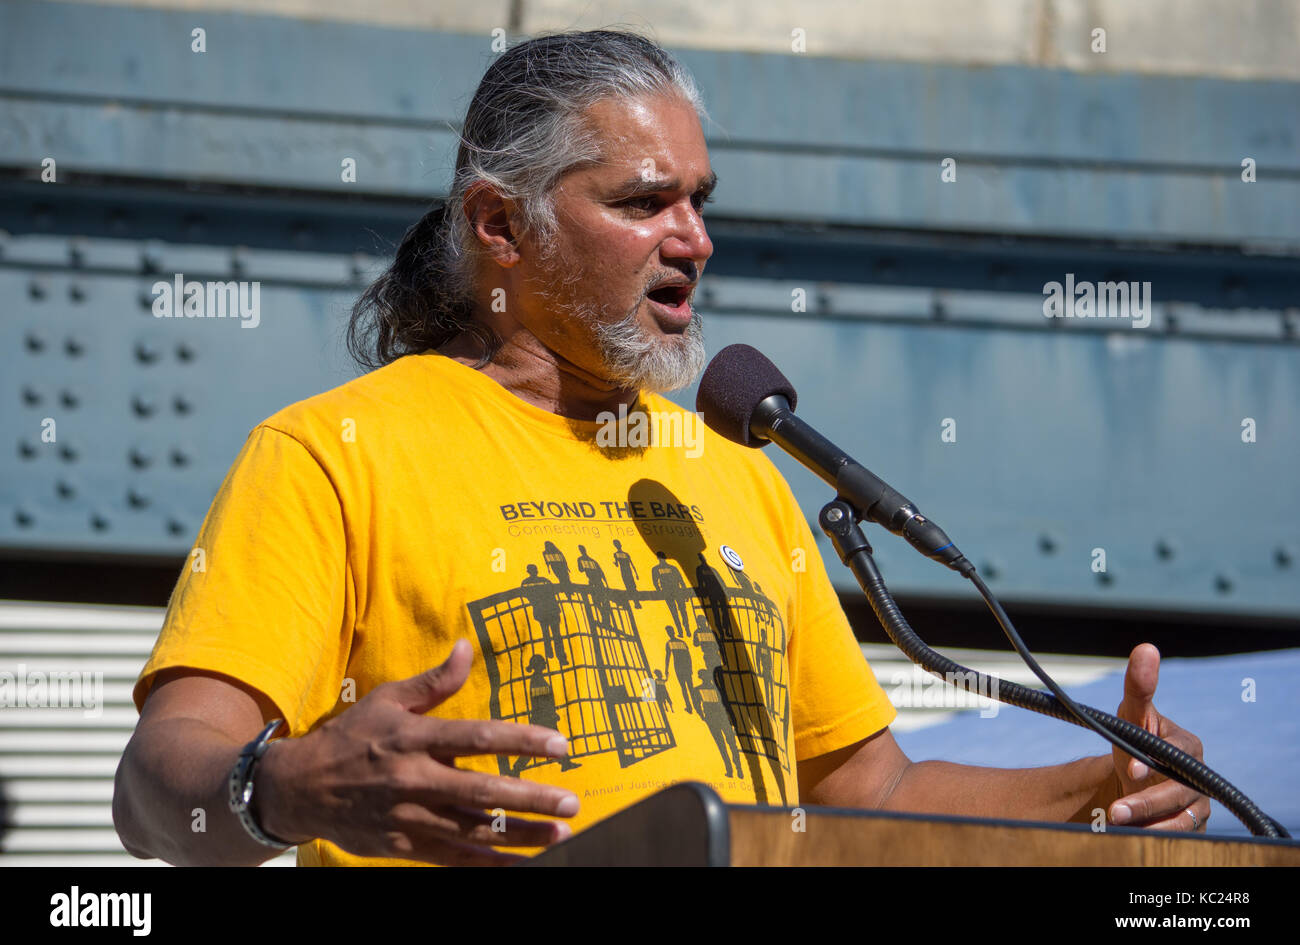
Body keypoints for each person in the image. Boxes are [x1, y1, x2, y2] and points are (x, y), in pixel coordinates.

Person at [112, 29, 1209, 868]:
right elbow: (151, 792)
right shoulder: (334, 453)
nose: (694, 237)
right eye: (644, 201)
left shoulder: (738, 466)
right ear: (502, 226)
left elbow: (860, 792)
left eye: (698, 200)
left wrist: (1101, 788)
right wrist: (281, 786)